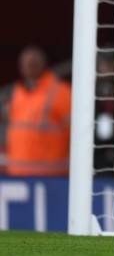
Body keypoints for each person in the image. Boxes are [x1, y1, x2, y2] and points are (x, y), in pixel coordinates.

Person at [5, 46, 71, 176]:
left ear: (43, 64)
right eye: (26, 64)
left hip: (51, 175)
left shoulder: (61, 93)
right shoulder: (17, 93)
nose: (29, 67)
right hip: (17, 174)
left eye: (33, 63)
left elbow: (76, 133)